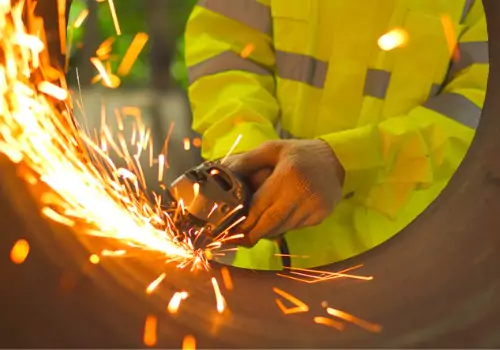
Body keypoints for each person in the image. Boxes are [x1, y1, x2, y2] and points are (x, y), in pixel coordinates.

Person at [184, 0, 489, 270]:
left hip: (412, 269)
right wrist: (251, 163)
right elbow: (225, 49)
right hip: (269, 267)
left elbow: (482, 110)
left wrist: (345, 161)